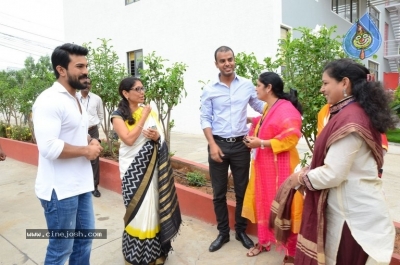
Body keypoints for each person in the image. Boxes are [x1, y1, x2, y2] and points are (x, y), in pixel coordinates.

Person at [289, 58, 396, 265]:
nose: (322, 89)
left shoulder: (351, 120)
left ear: (344, 83)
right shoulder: (350, 112)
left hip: (353, 218)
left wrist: (300, 178)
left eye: (326, 83)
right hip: (350, 208)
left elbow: (332, 174)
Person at [32, 43, 103, 264]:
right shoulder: (49, 100)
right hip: (59, 191)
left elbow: (73, 132)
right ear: (61, 69)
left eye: (86, 66)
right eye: (79, 66)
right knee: (61, 251)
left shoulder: (76, 99)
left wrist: (89, 139)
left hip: (80, 185)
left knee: (84, 244)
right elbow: (49, 147)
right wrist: (86, 150)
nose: (85, 71)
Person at [200, 46, 264, 252]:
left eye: (230, 59)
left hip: (240, 145)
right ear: (216, 64)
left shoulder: (246, 85)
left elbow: (260, 106)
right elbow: (205, 118)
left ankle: (241, 231)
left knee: (242, 191)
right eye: (222, 61)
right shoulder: (209, 89)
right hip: (218, 143)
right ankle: (223, 233)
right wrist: (212, 144)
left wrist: (282, 105)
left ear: (234, 60)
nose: (227, 63)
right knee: (218, 193)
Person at [111, 77, 181, 265]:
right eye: (137, 89)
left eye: (143, 88)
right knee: (137, 210)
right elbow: (128, 140)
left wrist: (157, 136)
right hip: (132, 172)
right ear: (126, 93)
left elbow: (161, 138)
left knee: (152, 210)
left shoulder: (150, 112)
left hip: (153, 170)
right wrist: (144, 115)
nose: (142, 92)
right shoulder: (117, 115)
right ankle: (134, 256)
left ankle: (154, 254)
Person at [241, 72, 303, 262]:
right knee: (264, 203)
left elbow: (292, 136)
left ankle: (290, 251)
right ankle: (264, 241)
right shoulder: (270, 106)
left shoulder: (286, 109)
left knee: (285, 206)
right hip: (265, 167)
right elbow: (265, 124)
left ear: (269, 88)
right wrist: (253, 125)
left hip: (282, 168)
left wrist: (261, 143)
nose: (255, 88)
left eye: (258, 85)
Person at [318, 103, 389, 177]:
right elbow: (321, 146)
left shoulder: (362, 110)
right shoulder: (324, 111)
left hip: (359, 178)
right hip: (334, 172)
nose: (322, 90)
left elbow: (381, 149)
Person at [78, 77, 104, 197]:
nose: (86, 85)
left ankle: (94, 186)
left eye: (88, 83)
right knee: (79, 156)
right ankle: (81, 185)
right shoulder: (75, 98)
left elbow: (100, 114)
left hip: (93, 131)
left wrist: (95, 125)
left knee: (94, 158)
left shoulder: (96, 99)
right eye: (84, 83)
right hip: (78, 131)